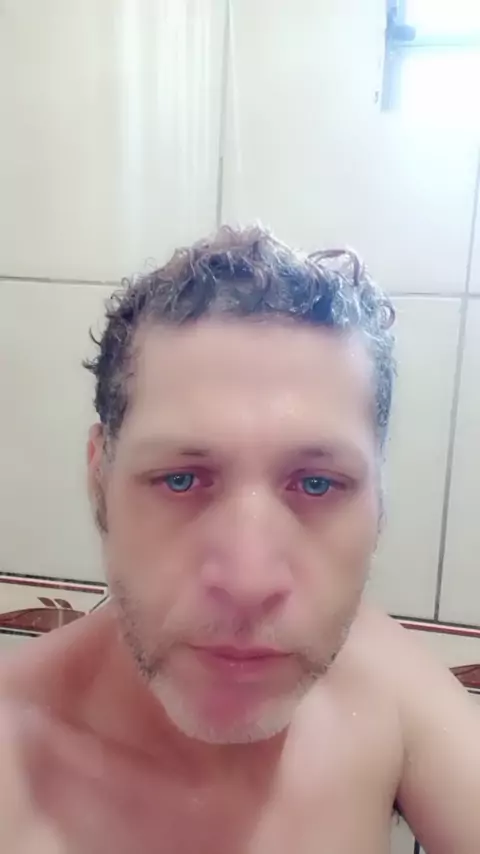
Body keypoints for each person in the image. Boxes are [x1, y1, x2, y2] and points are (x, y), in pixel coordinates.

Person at [0, 226, 479, 854]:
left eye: (316, 483)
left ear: (379, 506)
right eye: (179, 479)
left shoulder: (388, 687)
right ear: (99, 482)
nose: (249, 581)